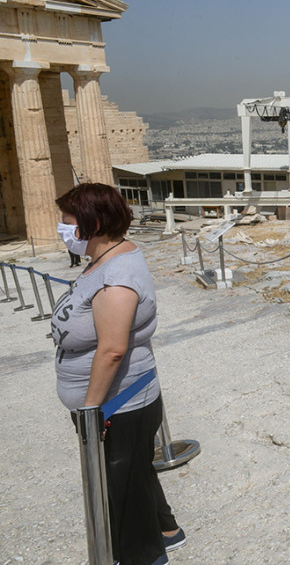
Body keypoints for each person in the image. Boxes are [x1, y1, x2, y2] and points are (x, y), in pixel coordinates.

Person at [51, 183, 185, 565]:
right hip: (117, 403)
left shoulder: (117, 279)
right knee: (132, 475)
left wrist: (91, 410)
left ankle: (145, 557)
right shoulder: (105, 259)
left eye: (67, 223)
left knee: (121, 493)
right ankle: (168, 530)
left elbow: (112, 350)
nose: (62, 229)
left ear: (90, 224)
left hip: (116, 405)